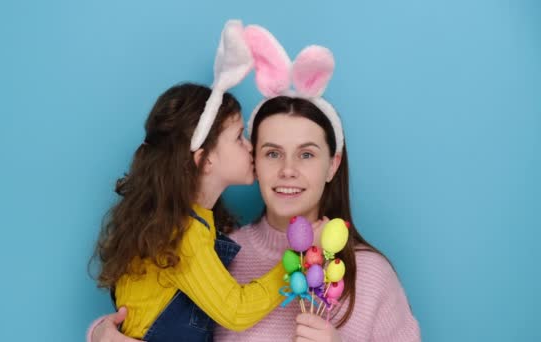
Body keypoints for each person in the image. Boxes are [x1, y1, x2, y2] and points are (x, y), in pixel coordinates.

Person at [89, 25, 420, 342]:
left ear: (333, 164)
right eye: (272, 153)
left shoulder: (372, 275)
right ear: (255, 164)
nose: (288, 170)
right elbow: (152, 302)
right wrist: (102, 333)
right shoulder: (220, 254)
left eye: (306, 155)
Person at [90, 21, 290, 342]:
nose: (251, 146)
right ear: (205, 160)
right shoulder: (183, 233)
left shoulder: (189, 224)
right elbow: (235, 311)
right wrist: (293, 264)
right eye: (239, 137)